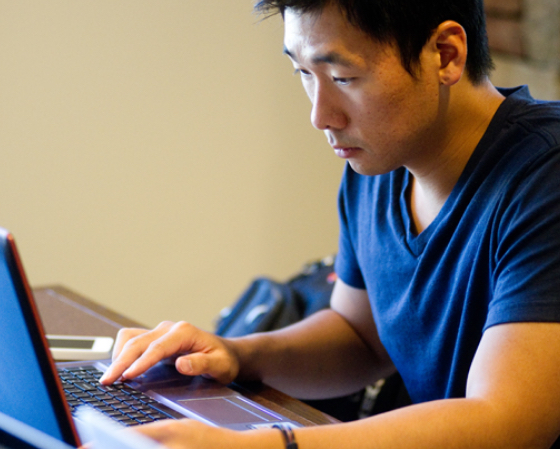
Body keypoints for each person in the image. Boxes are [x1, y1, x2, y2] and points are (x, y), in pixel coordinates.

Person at [99, 0, 560, 448]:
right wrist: (234, 354)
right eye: (304, 73)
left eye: (344, 77)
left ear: (445, 54)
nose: (321, 116)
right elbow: (359, 336)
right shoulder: (380, 164)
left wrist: (263, 445)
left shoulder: (545, 174)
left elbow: (510, 422)